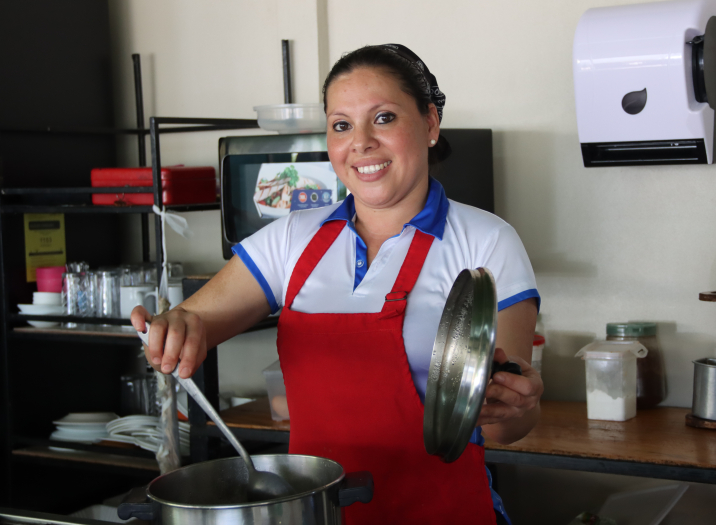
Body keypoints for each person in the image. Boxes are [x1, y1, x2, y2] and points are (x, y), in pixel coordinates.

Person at [132, 43, 543, 525]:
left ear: (430, 123)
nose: (361, 142)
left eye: (384, 118)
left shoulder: (486, 242)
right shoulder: (291, 238)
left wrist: (515, 404)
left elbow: (509, 423)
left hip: (441, 512)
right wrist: (173, 331)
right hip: (316, 512)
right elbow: (194, 322)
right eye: (341, 125)